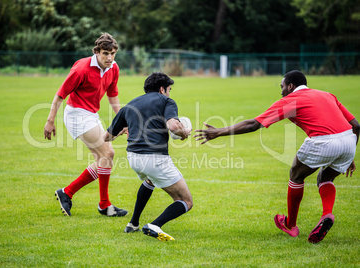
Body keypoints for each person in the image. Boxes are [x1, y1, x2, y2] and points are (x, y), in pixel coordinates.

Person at [194, 70, 359, 243]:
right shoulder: (327, 95)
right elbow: (356, 125)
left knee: (296, 175)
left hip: (323, 141)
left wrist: (219, 132)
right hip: (348, 140)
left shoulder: (291, 101)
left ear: (290, 86)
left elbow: (253, 124)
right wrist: (349, 155)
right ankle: (327, 214)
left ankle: (290, 224)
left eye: (282, 87)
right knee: (325, 178)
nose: (281, 92)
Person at [44, 33, 127, 217]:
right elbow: (60, 95)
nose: (110, 57)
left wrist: (123, 120)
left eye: (113, 53)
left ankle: (67, 192)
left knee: (103, 160)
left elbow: (112, 95)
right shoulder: (82, 68)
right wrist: (50, 121)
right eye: (105, 53)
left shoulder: (113, 68)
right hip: (76, 114)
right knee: (108, 153)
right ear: (96, 52)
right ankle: (104, 204)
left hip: (91, 114)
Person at [104, 72, 193, 241]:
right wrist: (183, 133)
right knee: (185, 201)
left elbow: (106, 137)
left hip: (133, 158)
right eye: (169, 89)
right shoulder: (166, 101)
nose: (169, 93)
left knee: (150, 180)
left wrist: (123, 129)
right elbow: (172, 125)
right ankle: (155, 225)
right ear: (162, 89)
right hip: (155, 158)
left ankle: (133, 223)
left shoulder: (129, 105)